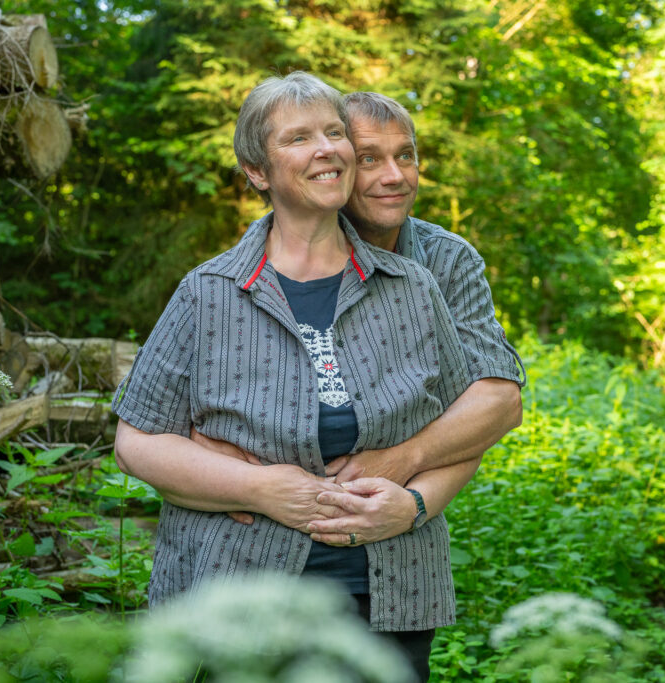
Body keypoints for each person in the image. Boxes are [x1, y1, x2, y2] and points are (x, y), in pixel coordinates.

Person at [112, 72, 482, 682]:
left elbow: (465, 428)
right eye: (299, 138)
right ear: (258, 171)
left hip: (388, 604)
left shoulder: (412, 287)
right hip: (237, 602)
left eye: (335, 133)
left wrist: (414, 504)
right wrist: (255, 487)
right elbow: (138, 440)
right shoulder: (209, 292)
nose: (327, 149)